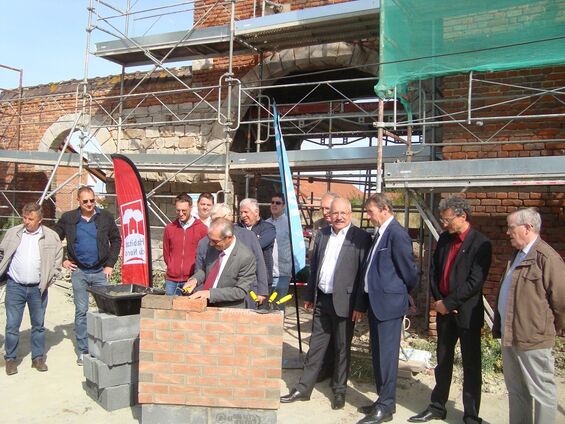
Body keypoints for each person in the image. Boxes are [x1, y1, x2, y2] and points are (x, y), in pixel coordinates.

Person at [280, 197, 371, 410]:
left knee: (341, 348)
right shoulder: (322, 234)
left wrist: (360, 305)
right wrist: (310, 295)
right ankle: (303, 388)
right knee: (316, 347)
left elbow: (362, 275)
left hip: (346, 303)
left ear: (350, 214)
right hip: (323, 299)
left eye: (343, 213)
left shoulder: (361, 238)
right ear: (329, 214)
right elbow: (316, 268)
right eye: (335, 213)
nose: (338, 217)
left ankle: (339, 391)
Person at [409, 196, 492, 424]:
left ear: (462, 216)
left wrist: (450, 303)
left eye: (447, 220)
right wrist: (440, 300)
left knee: (471, 365)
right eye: (442, 220)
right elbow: (434, 270)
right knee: (442, 361)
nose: (444, 224)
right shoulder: (445, 239)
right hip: (445, 312)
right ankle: (437, 407)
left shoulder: (481, 243)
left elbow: (475, 282)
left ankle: (471, 415)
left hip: (467, 314)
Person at [493, 208, 564, 424]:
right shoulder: (517, 256)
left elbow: (561, 300)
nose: (507, 232)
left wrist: (549, 329)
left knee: (542, 393)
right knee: (516, 391)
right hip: (510, 336)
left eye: (511, 227)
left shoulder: (546, 257)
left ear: (528, 228)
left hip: (533, 339)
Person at [356, 193, 418, 424]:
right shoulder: (381, 233)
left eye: (371, 212)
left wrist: (396, 293)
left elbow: (409, 273)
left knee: (387, 358)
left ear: (384, 209)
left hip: (388, 306)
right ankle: (382, 401)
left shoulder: (397, 234)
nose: (368, 216)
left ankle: (386, 407)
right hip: (376, 305)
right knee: (379, 356)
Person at [54, 186, 121, 365]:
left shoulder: (105, 217)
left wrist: (109, 265)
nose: (90, 204)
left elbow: (116, 239)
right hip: (80, 272)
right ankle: (83, 351)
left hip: (100, 272)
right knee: (81, 312)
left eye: (92, 200)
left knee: (106, 311)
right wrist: (62, 260)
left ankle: (105, 348)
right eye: (86, 201)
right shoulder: (69, 218)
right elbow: (53, 238)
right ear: (79, 201)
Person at [1, 202, 63, 375]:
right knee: (12, 325)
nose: (27, 221)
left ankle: (37, 358)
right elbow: (2, 253)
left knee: (38, 325)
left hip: (38, 289)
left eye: (31, 219)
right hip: (15, 287)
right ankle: (11, 359)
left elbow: (58, 261)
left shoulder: (51, 237)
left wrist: (50, 279)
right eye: (25, 217)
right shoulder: (13, 233)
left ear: (40, 220)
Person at [195, 203, 269, 305]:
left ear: (229, 217)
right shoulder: (206, 242)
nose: (217, 224)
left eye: (220, 219)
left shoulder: (248, 237)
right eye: (214, 221)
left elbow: (259, 262)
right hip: (210, 298)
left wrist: (262, 291)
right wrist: (196, 285)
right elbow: (202, 268)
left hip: (240, 295)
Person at [184, 218, 255, 308]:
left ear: (229, 238)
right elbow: (205, 270)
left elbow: (240, 291)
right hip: (206, 305)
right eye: (210, 239)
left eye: (215, 241)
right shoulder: (212, 246)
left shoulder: (245, 257)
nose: (211, 244)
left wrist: (210, 294)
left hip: (228, 310)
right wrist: (195, 280)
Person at [162, 194, 208, 296]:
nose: (181, 214)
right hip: (172, 280)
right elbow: (166, 252)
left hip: (191, 279)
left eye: (184, 211)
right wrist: (171, 266)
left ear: (191, 208)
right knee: (170, 310)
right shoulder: (169, 228)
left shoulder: (202, 229)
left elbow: (205, 254)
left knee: (189, 311)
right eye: (178, 210)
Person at [238, 198, 276, 292]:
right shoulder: (236, 228)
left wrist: (239, 245)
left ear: (256, 212)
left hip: (261, 281)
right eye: (241, 212)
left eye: (246, 212)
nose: (243, 215)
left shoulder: (268, 228)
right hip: (240, 280)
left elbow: (257, 246)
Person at [266, 193, 292, 302]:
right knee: (264, 308)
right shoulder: (265, 223)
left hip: (282, 273)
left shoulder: (289, 224)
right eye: (272, 202)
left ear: (284, 206)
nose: (274, 205)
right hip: (267, 273)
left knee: (278, 307)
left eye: (278, 203)